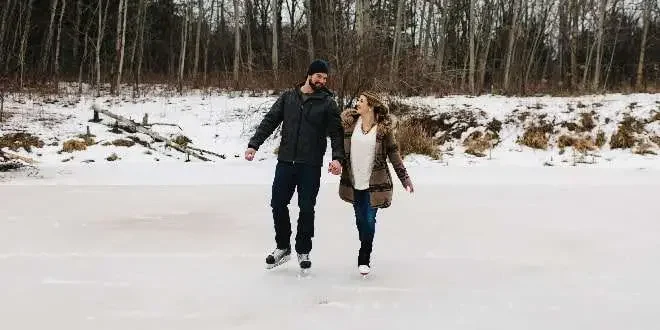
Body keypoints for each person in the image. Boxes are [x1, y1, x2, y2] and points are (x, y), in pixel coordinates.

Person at [245, 59, 344, 272]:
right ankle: (283, 247)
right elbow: (270, 120)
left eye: (325, 78)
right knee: (278, 204)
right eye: (319, 76)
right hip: (286, 162)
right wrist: (254, 144)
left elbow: (336, 133)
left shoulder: (327, 103)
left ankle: (303, 250)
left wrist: (337, 158)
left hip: (310, 164)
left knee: (306, 208)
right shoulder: (288, 97)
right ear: (309, 75)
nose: (322, 81)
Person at [338, 91, 414, 276]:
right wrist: (336, 162)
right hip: (354, 182)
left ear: (370, 106)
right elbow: (340, 150)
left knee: (369, 220)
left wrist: (405, 178)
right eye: (358, 100)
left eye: (361, 101)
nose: (357, 103)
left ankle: (364, 257)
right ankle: (365, 246)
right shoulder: (350, 125)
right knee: (359, 220)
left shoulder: (382, 130)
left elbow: (395, 156)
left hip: (375, 185)